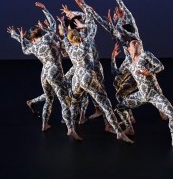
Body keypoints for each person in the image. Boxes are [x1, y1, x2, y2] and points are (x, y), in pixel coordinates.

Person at [7, 2, 82, 140]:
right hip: (55, 72)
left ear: (33, 38)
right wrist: (44, 9)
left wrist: (16, 35)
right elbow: (53, 24)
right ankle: (70, 129)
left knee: (49, 99)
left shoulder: (34, 46)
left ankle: (44, 124)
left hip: (44, 74)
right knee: (64, 101)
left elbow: (25, 49)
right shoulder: (49, 36)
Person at [57, 15, 134, 144]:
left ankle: (71, 128)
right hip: (88, 77)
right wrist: (83, 26)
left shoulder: (69, 47)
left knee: (74, 103)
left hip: (77, 77)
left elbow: (65, 36)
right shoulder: (85, 44)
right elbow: (94, 27)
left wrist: (63, 26)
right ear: (79, 36)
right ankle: (119, 133)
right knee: (106, 104)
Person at [115, 40, 173, 150]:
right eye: (132, 43)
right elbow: (116, 72)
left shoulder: (145, 55)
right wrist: (113, 58)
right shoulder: (129, 62)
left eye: (136, 42)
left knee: (171, 115)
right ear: (128, 49)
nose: (136, 43)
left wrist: (149, 72)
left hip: (154, 94)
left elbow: (160, 66)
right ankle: (129, 128)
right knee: (120, 107)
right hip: (141, 95)